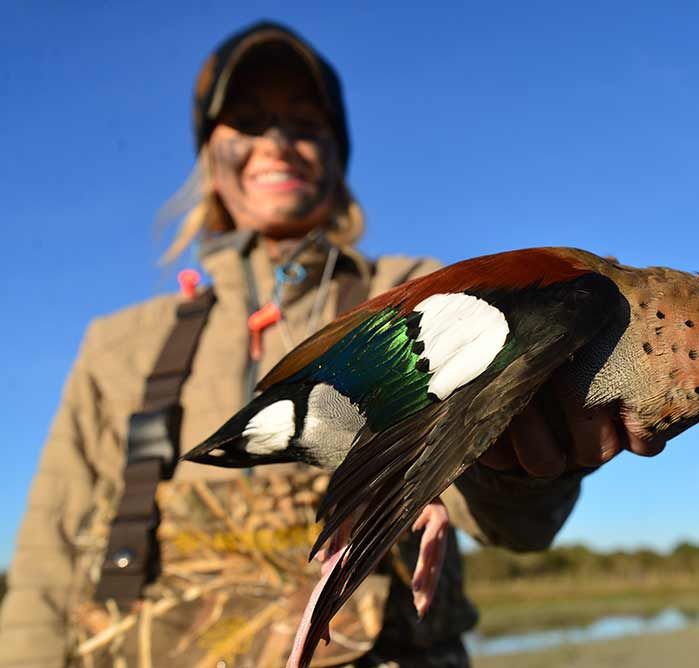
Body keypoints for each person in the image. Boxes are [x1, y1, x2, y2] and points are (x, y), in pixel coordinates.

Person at [0, 20, 663, 668]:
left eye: (306, 123)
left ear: (338, 155)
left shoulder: (420, 292)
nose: (279, 142)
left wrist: (519, 468)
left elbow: (513, 527)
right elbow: (46, 561)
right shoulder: (123, 346)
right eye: (250, 121)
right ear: (208, 155)